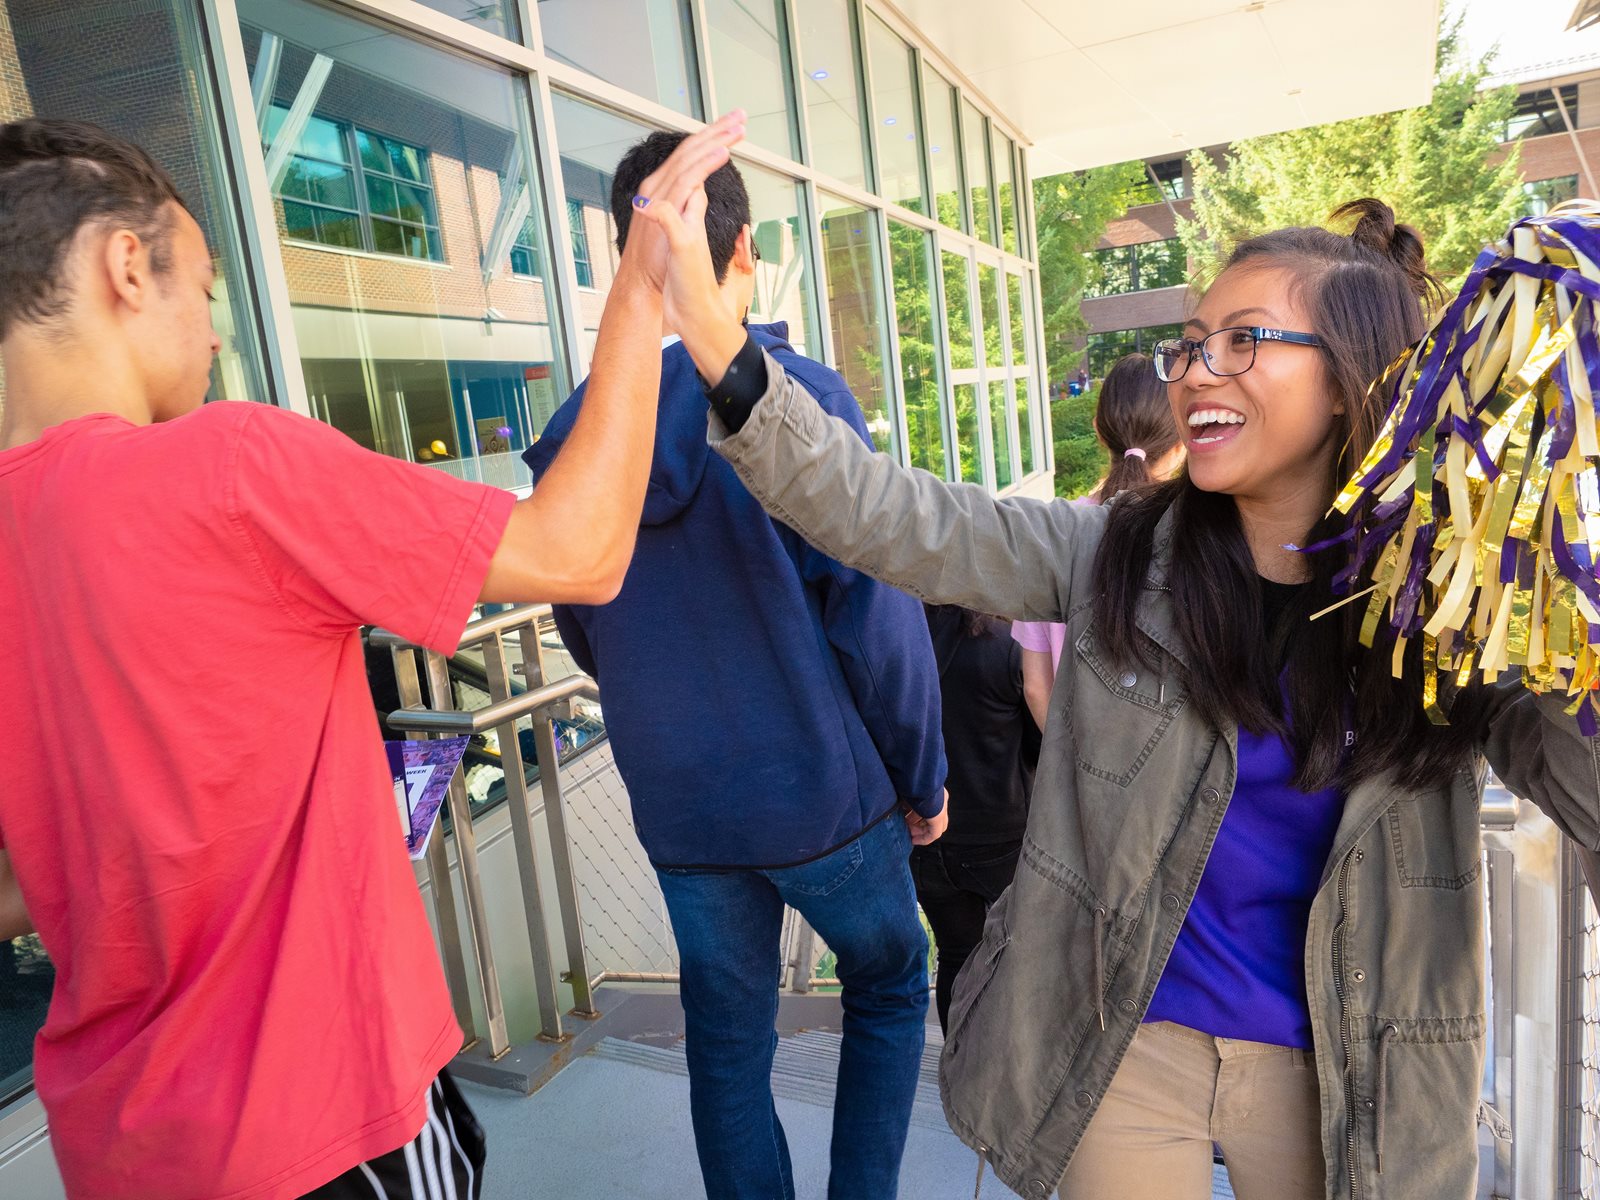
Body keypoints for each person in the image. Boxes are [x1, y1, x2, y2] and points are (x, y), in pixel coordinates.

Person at [646, 192, 1600, 1199]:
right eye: (1190, 346)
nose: (1194, 374)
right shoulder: (1115, 552)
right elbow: (888, 515)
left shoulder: (1449, 607)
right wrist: (715, 332)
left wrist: (1571, 585)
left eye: (1243, 342)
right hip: (1125, 1033)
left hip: (1348, 1062)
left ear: (1348, 379)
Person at [0, 112, 745, 1200]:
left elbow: (20, 887)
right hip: (327, 1124)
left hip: (121, 1153)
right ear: (125, 266)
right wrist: (639, 289)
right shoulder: (227, 466)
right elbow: (579, 551)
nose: (215, 335)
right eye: (205, 292)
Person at [521, 131, 948, 1200]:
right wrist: (925, 776)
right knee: (890, 987)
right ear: (744, 247)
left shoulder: (579, 440)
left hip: (681, 807)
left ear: (626, 252)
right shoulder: (793, 404)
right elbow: (875, 616)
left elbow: (583, 621)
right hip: (825, 796)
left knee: (726, 1041)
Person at [1014, 351, 1183, 730]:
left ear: (1098, 430)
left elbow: (1037, 688)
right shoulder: (1199, 535)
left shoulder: (1054, 534)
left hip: (1079, 761)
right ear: (1180, 442)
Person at [914, 605, 1038, 1032]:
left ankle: (957, 1064)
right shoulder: (1009, 642)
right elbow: (1040, 744)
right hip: (1002, 836)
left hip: (925, 836)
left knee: (955, 954)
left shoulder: (907, 634)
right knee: (1024, 959)